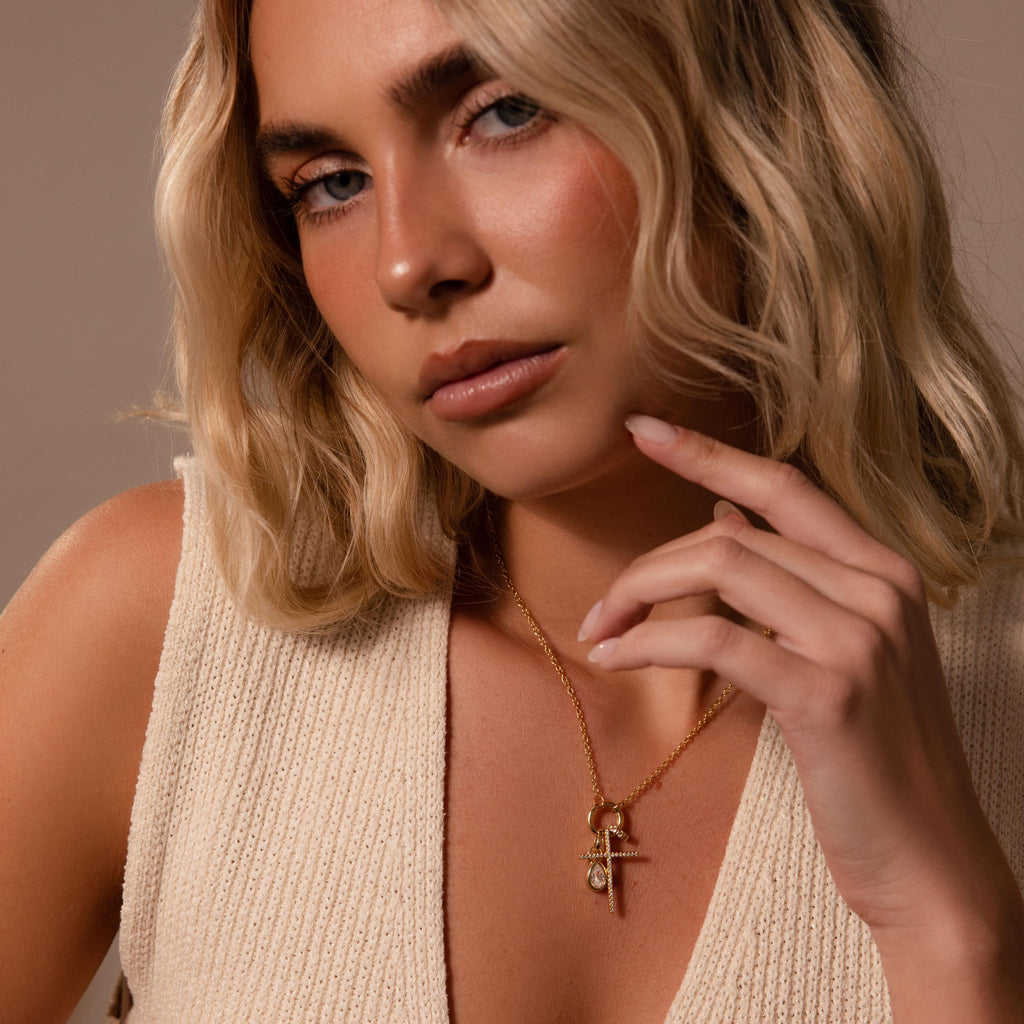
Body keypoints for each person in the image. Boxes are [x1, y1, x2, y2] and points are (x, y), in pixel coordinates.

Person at [2, 0, 1023, 1020]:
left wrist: (950, 932)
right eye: (332, 184)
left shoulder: (997, 691)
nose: (408, 265)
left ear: (756, 105)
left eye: (503, 113)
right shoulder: (164, 627)